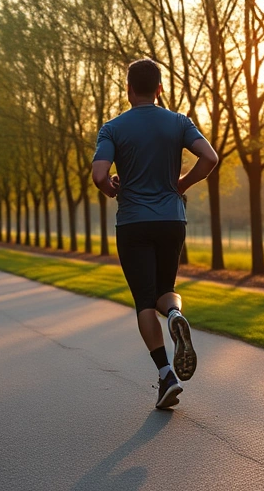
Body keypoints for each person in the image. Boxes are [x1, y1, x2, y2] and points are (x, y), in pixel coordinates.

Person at [92, 58, 218, 409]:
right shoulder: (179, 122)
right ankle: (176, 315)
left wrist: (111, 189)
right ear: (160, 89)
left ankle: (166, 374)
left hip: (133, 223)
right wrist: (181, 184)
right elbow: (210, 157)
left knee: (145, 300)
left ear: (129, 89)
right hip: (171, 220)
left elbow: (100, 175)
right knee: (166, 292)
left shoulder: (113, 128)